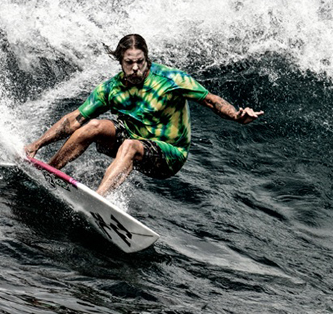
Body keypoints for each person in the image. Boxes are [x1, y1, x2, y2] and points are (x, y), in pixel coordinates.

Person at [23, 34, 264, 196]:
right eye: (129, 62)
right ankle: (50, 171)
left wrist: (235, 116)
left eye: (140, 61)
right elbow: (74, 120)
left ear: (146, 58)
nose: (136, 67)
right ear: (121, 61)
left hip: (169, 155)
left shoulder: (171, 80)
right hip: (132, 140)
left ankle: (99, 200)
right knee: (93, 126)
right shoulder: (111, 89)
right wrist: (37, 143)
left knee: (130, 146)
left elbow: (211, 101)